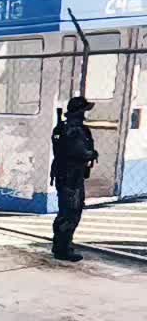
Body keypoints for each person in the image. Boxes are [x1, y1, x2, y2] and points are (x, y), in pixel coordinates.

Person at [51, 96, 98, 263]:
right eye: (84, 111)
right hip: (72, 177)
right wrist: (92, 154)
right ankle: (63, 249)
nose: (85, 114)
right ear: (79, 112)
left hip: (64, 175)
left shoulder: (62, 127)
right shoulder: (74, 130)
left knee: (65, 211)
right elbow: (80, 152)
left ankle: (60, 245)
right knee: (71, 212)